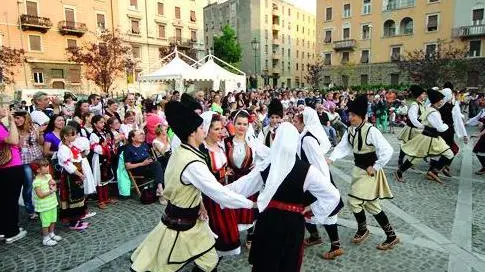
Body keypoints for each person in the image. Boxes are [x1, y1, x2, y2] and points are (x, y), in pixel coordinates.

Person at [130, 101, 254, 272]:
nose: (204, 131)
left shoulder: (182, 151)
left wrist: (201, 205)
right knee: (165, 265)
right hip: (182, 223)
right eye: (202, 129)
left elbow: (191, 187)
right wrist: (251, 204)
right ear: (193, 133)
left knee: (208, 259)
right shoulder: (192, 162)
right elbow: (217, 192)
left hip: (189, 218)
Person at [226, 122, 341, 271]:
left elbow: (240, 187)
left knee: (265, 263)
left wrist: (216, 192)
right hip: (292, 223)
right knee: (287, 263)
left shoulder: (267, 166)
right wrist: (312, 208)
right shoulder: (307, 170)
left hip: (269, 220)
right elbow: (333, 195)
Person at [328, 95, 399, 250]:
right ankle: (391, 236)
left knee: (354, 201)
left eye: (353, 115)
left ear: (361, 116)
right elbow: (343, 147)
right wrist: (331, 158)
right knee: (372, 205)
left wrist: (376, 166)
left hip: (369, 173)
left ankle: (363, 229)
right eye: (350, 114)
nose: (350, 117)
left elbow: (387, 150)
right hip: (358, 171)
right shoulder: (351, 130)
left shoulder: (371, 131)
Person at [293, 107, 344, 260]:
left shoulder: (308, 140)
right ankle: (315, 236)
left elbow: (319, 163)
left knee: (328, 213)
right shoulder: (303, 136)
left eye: (296, 121)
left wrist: (324, 187)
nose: (293, 124)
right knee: (306, 212)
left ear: (304, 123)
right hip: (309, 181)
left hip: (318, 181)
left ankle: (336, 246)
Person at [199, 111, 242, 256]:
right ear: (207, 130)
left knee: (226, 229)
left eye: (221, 128)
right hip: (210, 196)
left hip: (223, 192)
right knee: (215, 230)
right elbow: (204, 177)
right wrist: (223, 173)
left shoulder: (220, 146)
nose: (220, 132)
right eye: (216, 129)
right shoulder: (203, 151)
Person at [394, 89, 454, 184]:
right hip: (427, 138)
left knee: (449, 154)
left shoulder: (431, 109)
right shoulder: (433, 112)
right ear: (437, 101)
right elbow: (440, 128)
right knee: (415, 157)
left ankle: (433, 171)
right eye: (441, 100)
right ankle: (399, 171)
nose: (443, 101)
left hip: (434, 138)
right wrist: (448, 125)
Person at [224, 110, 258, 248]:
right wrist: (225, 169)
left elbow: (265, 156)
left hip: (248, 180)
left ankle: (250, 236)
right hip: (233, 180)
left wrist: (257, 164)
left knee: (248, 208)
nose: (241, 127)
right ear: (234, 124)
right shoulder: (226, 142)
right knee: (233, 207)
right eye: (239, 123)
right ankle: (234, 235)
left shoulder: (252, 142)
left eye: (244, 124)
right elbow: (220, 158)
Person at [0, 106, 28, 243]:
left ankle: (4, 229)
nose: (4, 109)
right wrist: (11, 121)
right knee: (10, 200)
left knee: (5, 200)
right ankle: (12, 231)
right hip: (10, 167)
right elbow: (13, 141)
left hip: (7, 167)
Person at [57, 125, 90, 230]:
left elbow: (78, 158)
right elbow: (67, 164)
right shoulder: (63, 148)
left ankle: (78, 219)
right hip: (70, 176)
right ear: (66, 136)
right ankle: (73, 222)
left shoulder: (71, 146)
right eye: (73, 134)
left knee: (79, 196)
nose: (75, 136)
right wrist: (78, 173)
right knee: (72, 197)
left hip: (76, 174)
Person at [14, 110, 44, 220]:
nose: (17, 120)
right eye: (15, 118)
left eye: (19, 118)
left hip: (38, 158)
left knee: (42, 182)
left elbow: (40, 142)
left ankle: (43, 206)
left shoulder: (34, 127)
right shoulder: (13, 130)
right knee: (28, 185)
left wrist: (40, 134)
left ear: (26, 118)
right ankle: (30, 210)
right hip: (23, 161)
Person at [31, 159, 62, 246]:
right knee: (46, 222)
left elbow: (53, 185)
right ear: (38, 170)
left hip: (52, 203)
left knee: (53, 219)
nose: (47, 167)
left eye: (47, 165)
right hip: (44, 206)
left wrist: (54, 184)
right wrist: (51, 191)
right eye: (45, 166)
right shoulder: (36, 182)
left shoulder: (48, 176)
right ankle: (46, 238)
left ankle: (51, 233)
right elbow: (40, 195)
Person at [89, 115, 116, 209]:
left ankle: (106, 198)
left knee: (106, 178)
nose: (103, 124)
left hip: (106, 159)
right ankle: (100, 200)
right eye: (101, 122)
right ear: (95, 124)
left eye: (103, 122)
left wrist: (109, 146)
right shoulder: (93, 135)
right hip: (99, 159)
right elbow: (97, 148)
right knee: (99, 179)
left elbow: (110, 143)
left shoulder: (105, 132)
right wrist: (106, 147)